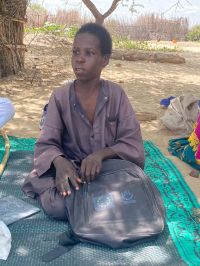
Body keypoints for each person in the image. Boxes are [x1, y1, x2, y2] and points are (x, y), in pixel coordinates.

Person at [22, 23, 145, 220]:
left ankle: (93, 204)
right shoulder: (60, 96)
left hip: (107, 169)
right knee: (58, 205)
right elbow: (46, 143)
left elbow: (133, 144)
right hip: (72, 169)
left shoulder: (116, 95)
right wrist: (60, 162)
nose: (79, 59)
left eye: (89, 53)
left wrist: (101, 155)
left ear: (104, 60)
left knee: (134, 194)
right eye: (75, 52)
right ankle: (96, 204)